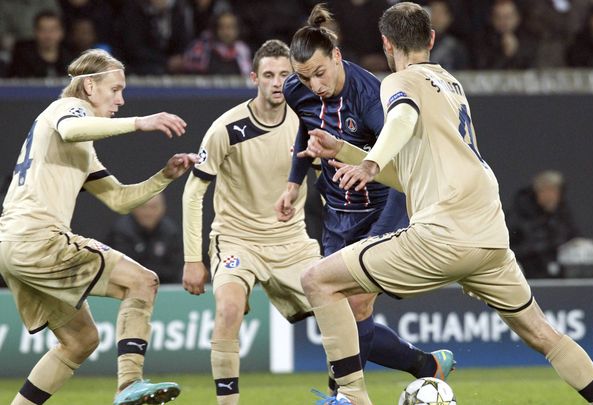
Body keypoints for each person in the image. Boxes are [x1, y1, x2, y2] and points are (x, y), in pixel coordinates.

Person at [297, 3, 593, 404]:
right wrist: (344, 149)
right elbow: (411, 175)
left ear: (386, 44)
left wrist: (370, 160)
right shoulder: (451, 86)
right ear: (431, 39)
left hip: (442, 236)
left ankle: (350, 398)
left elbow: (400, 117)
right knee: (544, 335)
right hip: (490, 239)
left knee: (318, 281)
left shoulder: (399, 82)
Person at [273, 3, 455, 395]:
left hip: (382, 208)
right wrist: (293, 183)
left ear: (337, 56)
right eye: (305, 78)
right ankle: (426, 364)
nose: (314, 85)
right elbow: (307, 132)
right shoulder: (296, 90)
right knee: (337, 312)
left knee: (355, 307)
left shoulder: (370, 96)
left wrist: (384, 234)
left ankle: (340, 396)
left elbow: (402, 163)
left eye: (320, 73)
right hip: (337, 213)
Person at [0, 49, 196, 405]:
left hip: (12, 244)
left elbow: (119, 199)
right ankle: (128, 384)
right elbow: (73, 127)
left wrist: (164, 177)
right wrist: (141, 122)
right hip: (38, 237)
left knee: (80, 341)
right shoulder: (66, 110)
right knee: (142, 281)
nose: (121, 100)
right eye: (115, 89)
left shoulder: (77, 141)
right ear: (89, 86)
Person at [181, 39, 321, 405]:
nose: (277, 82)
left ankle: (348, 394)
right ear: (254, 77)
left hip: (291, 240)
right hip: (236, 239)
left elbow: (331, 177)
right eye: (270, 75)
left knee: (346, 309)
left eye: (285, 75)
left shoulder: (307, 122)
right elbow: (193, 193)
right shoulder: (226, 128)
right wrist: (193, 259)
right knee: (228, 308)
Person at [508, 170, 579, 278]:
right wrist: (537, 247)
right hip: (527, 276)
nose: (552, 196)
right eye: (547, 190)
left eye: (555, 191)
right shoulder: (518, 214)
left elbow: (573, 236)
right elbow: (509, 249)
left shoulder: (562, 213)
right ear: (537, 191)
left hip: (559, 277)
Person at [106, 193, 183, 284]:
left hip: (163, 287)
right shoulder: (121, 231)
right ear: (134, 208)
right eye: (143, 207)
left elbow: (176, 268)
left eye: (153, 207)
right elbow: (122, 269)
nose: (148, 213)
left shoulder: (171, 231)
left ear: (163, 208)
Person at [7, 10, 73, 78]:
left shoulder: (72, 59)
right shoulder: (21, 58)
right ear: (35, 32)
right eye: (43, 30)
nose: (48, 35)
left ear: (61, 32)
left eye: (52, 30)